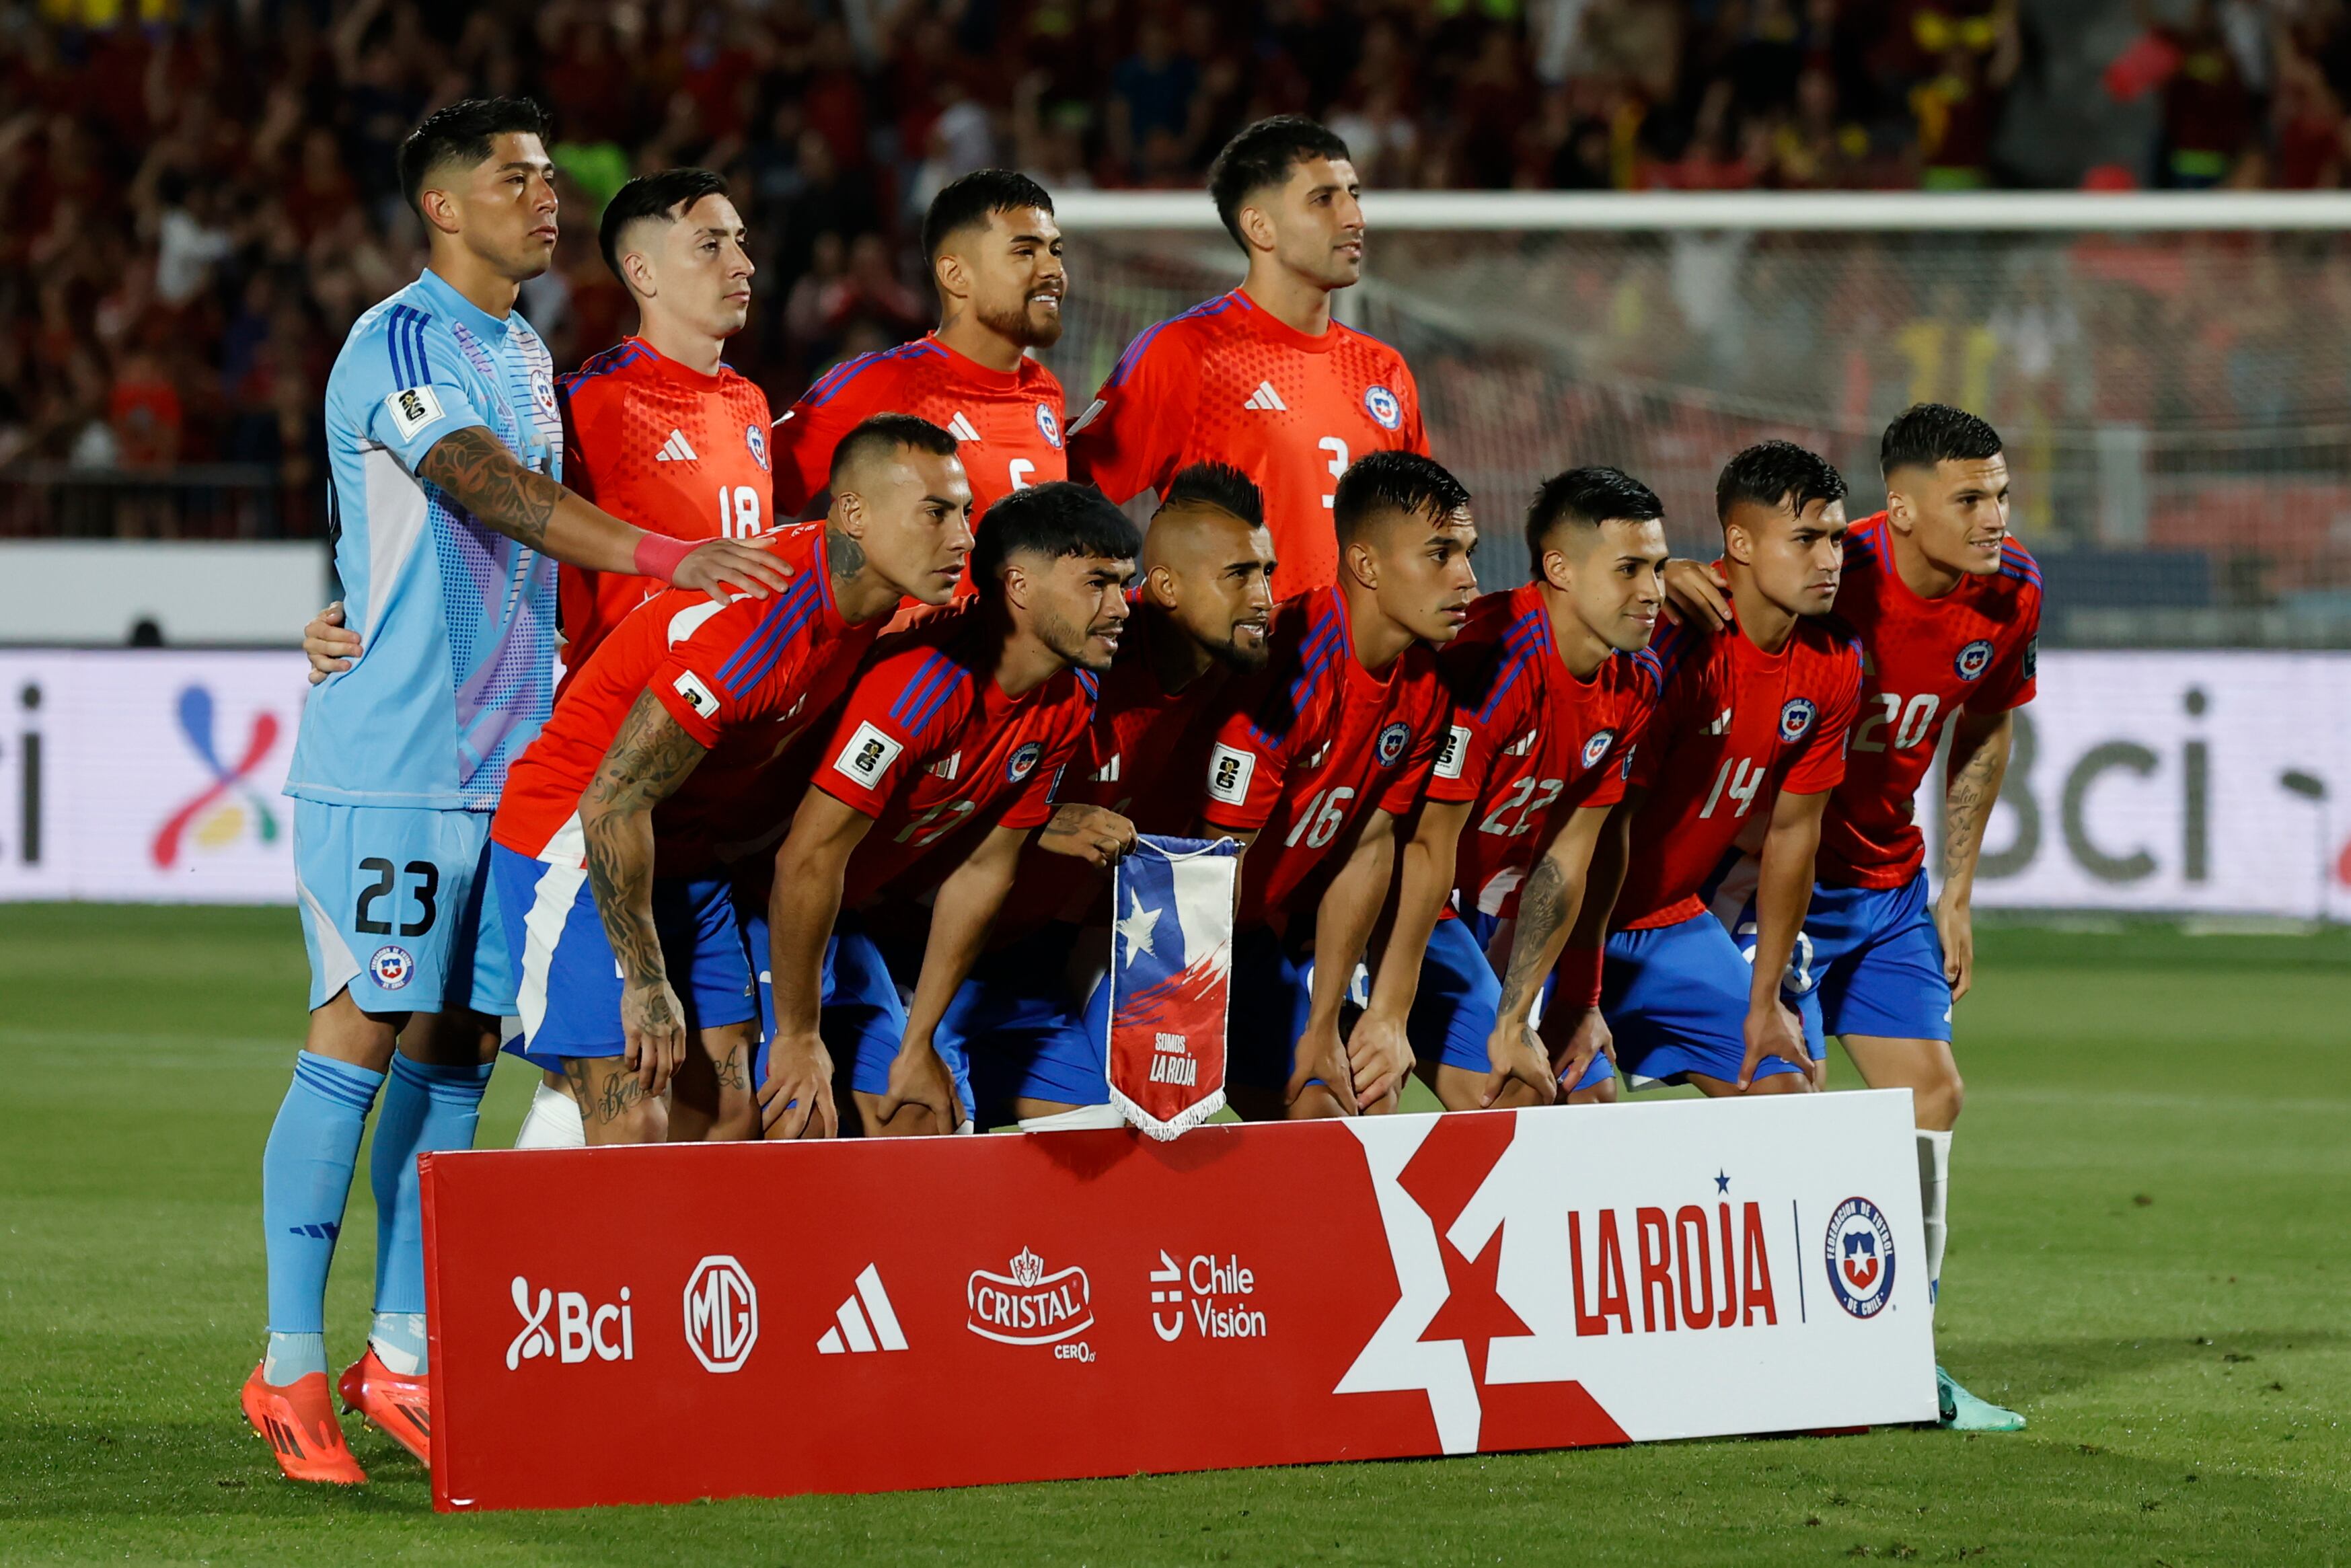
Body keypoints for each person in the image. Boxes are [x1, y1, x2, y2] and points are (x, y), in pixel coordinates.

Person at [251, 99, 790, 1486]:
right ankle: (288, 1362)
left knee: (454, 1058)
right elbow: (480, 489)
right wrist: (668, 558)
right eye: (514, 179)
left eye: (552, 177)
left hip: (509, 765)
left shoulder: (525, 350)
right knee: (357, 1038)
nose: (544, 197)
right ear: (442, 205)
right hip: (393, 760)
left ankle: (402, 1352)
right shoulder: (406, 338)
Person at [1666, 404, 2040, 1433]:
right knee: (1789, 1103)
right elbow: (1727, 586)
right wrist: (1664, 579)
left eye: (2000, 493)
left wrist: (1955, 888)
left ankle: (1898, 1358)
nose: (1994, 517)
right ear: (1901, 508)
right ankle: (1757, 1347)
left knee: (1931, 1093)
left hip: (1883, 887)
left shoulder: (2009, 594)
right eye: (1969, 498)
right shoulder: (1833, 570)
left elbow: (1983, 728)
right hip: (1764, 880)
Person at [486, 416, 974, 1146]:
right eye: (936, 513)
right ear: (854, 514)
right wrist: (646, 981)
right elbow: (613, 802)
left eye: (965, 511)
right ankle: (514, 1256)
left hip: (684, 850)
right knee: (632, 1115)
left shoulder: (875, 603)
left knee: (730, 1115)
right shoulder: (759, 626)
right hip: (577, 837)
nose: (962, 536)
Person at [755, 482, 1137, 1138]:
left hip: (846, 916)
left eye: (1124, 585)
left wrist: (919, 1043)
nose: (1121, 608)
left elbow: (986, 869)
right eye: (1098, 583)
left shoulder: (1071, 696)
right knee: (781, 1112)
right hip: (756, 896)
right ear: (1018, 584)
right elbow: (805, 857)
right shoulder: (922, 683)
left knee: (917, 1112)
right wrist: (798, 1034)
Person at [940, 462, 1278, 1129]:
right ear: (1168, 587)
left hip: (1048, 948)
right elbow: (941, 796)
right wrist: (1041, 819)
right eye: (1240, 575)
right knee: (919, 1127)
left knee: (1120, 1129)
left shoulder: (1242, 677)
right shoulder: (1076, 661)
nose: (1265, 596)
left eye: (1268, 571)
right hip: (922, 942)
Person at [1355, 467, 1671, 1114]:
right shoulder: (1493, 660)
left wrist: (1517, 1017)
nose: (1653, 593)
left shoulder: (1637, 681)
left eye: (1659, 569)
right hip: (1384, 896)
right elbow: (1424, 843)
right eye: (1629, 569)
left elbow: (1568, 859)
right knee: (1373, 1095)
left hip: (1472, 906)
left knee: (1559, 1091)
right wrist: (1390, 1013)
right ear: (1559, 568)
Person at [1553, 441, 1862, 1100]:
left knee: (1784, 1089)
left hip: (1669, 923)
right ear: (1741, 543)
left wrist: (1763, 997)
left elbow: (1792, 838)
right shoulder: (1669, 640)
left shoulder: (1835, 659)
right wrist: (1583, 993)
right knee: (1579, 1102)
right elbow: (1603, 830)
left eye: (1836, 539)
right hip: (1565, 922)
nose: (1831, 561)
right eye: (1806, 540)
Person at [1195, 451, 1476, 1119]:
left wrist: (1326, 1024)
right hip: (1178, 933)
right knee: (1289, 1116)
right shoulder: (1291, 664)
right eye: (1440, 555)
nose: (1466, 578)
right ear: (1366, 564)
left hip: (1272, 930)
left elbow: (1372, 848)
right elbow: (1213, 864)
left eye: (1468, 552)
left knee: (1356, 1098)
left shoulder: (1428, 686)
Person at [1067, 115, 1429, 593]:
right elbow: (1062, 504)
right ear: (1259, 226)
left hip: (1358, 665)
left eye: (1353, 195)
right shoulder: (1189, 352)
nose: (1353, 218)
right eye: (1323, 200)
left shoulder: (1384, 368)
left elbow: (1422, 534)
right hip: (1244, 663)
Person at [770, 170, 1068, 533]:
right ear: (956, 274)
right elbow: (753, 493)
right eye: (1025, 252)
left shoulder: (1045, 390)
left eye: (1055, 250)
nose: (1054, 269)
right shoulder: (882, 384)